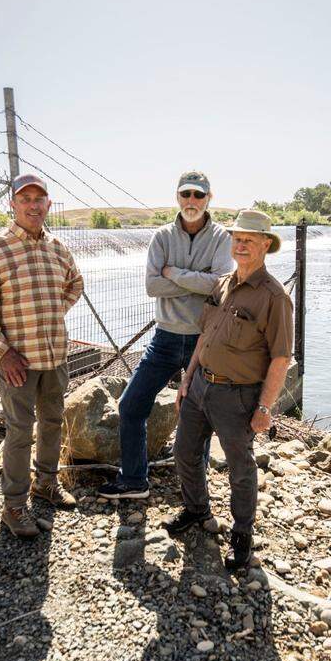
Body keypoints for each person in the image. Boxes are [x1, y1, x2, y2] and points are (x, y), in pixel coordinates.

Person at [164, 209, 293, 571]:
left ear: (266, 245)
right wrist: (188, 378)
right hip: (201, 385)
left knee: (240, 469)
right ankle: (196, 510)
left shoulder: (275, 297)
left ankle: (241, 537)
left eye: (250, 240)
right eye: (237, 238)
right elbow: (205, 336)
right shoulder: (223, 283)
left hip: (237, 397)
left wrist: (264, 408)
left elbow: (281, 359)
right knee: (184, 451)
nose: (241, 245)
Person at [97, 171, 232, 500]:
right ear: (177, 197)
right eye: (186, 194)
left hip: (204, 339)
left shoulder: (221, 237)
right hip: (165, 337)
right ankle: (134, 480)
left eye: (198, 195)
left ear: (209, 198)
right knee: (131, 405)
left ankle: (194, 486)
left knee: (197, 413)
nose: (191, 201)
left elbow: (220, 285)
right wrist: (195, 279)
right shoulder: (161, 237)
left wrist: (173, 273)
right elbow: (151, 285)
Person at [0, 173, 83, 538]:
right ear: (13, 205)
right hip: (18, 360)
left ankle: (45, 483)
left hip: (54, 355)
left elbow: (75, 284)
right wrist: (2, 354)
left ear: (48, 204)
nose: (33, 205)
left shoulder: (57, 247)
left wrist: (52, 313)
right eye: (26, 199)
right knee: (19, 430)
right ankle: (14, 505)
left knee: (52, 420)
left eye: (40, 199)